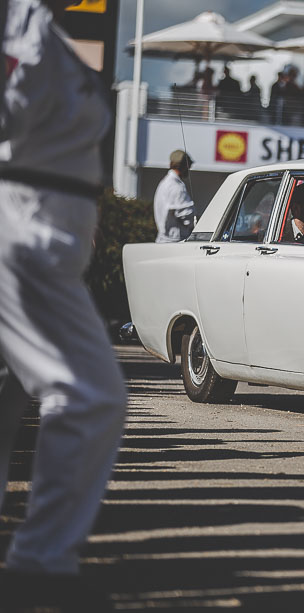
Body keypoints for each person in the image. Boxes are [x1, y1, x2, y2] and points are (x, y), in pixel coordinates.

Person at [0, 0, 127, 607]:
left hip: (44, 224)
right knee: (89, 394)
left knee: (7, 391)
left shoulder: (40, 27)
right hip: (24, 224)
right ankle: (40, 567)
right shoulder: (17, 20)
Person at [153, 150, 196, 243]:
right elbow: (187, 215)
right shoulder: (176, 187)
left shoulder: (165, 183)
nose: (189, 169)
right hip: (174, 241)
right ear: (184, 166)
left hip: (165, 240)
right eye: (188, 166)